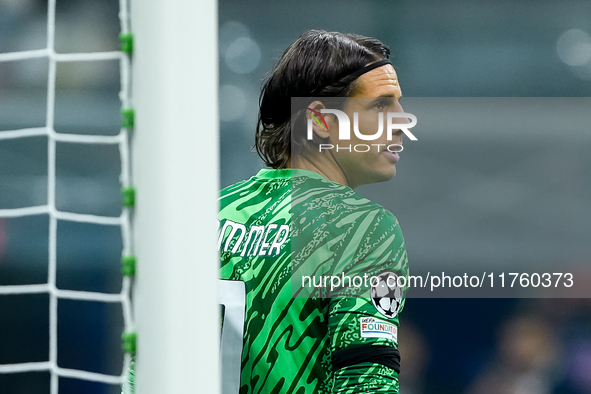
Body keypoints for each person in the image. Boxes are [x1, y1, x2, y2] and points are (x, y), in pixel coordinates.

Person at [218, 29, 410, 393]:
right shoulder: (363, 228)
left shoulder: (208, 215)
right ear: (321, 120)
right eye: (381, 105)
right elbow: (366, 385)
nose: (402, 121)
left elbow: (141, 375)